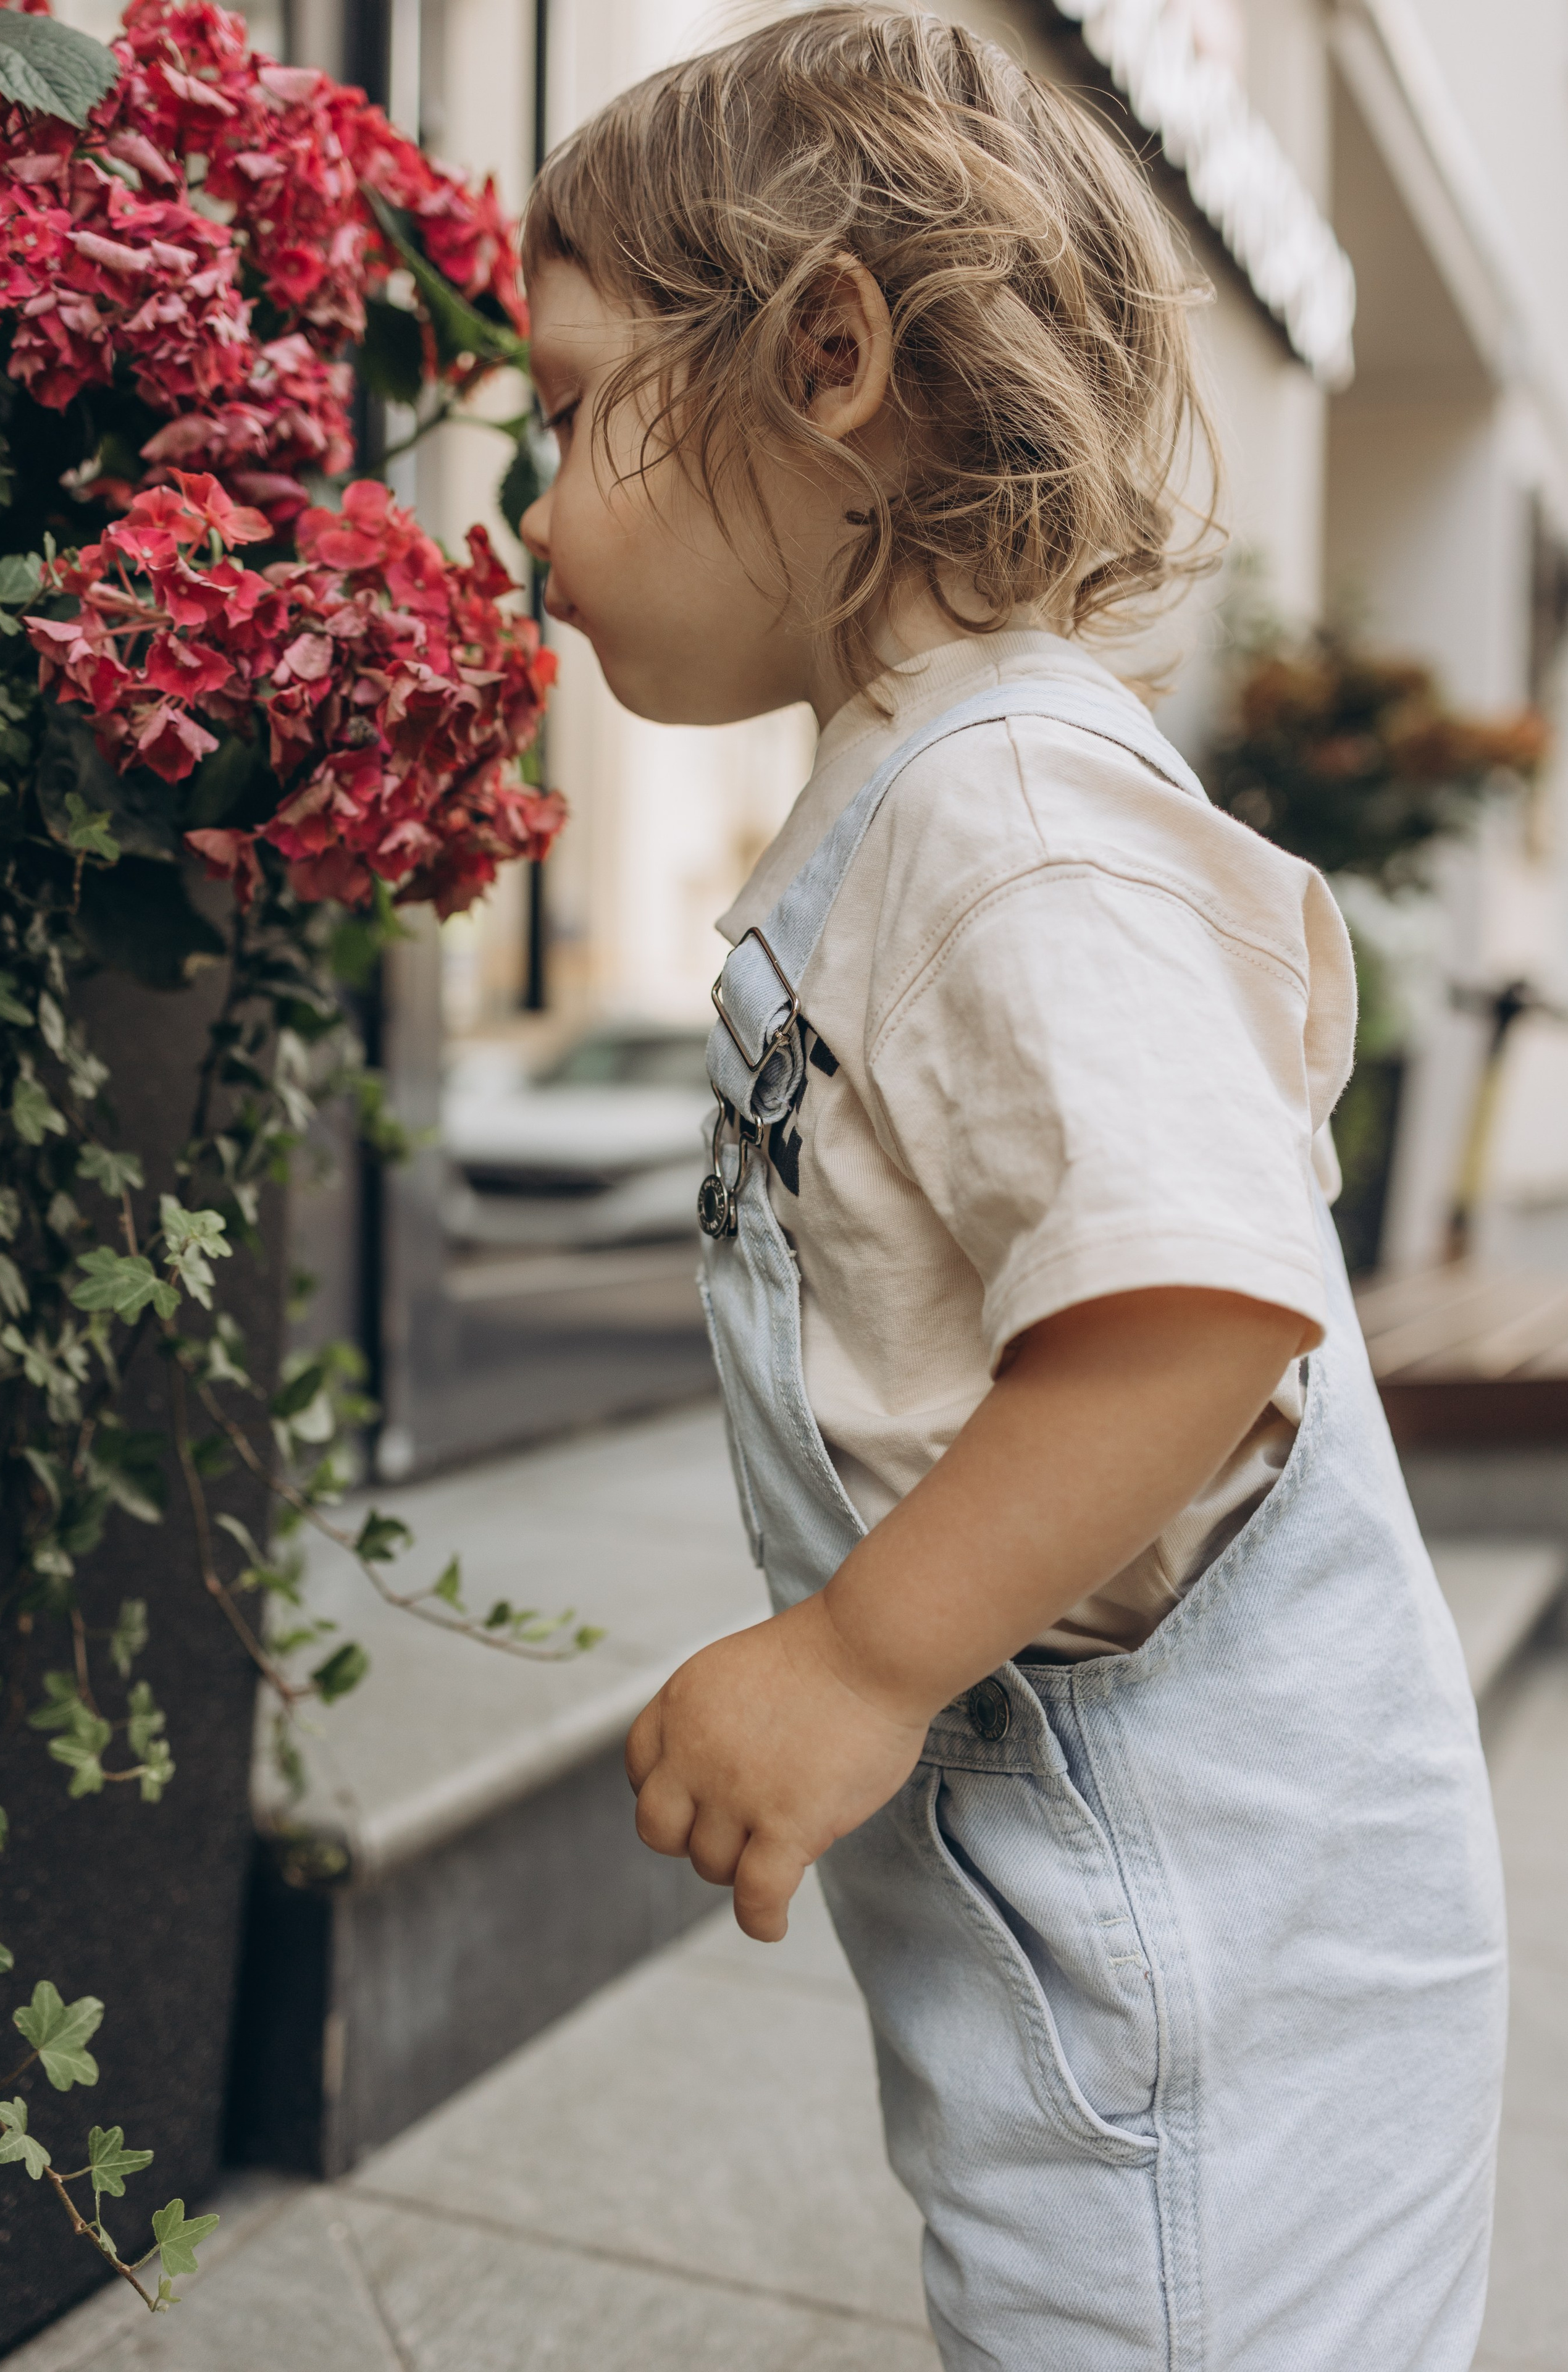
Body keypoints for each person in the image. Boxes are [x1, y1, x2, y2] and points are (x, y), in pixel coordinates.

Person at [515, 12, 1507, 2366]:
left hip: (1216, 1993)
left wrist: (854, 1660)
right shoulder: (926, 800)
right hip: (1116, 1961)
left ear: (825, 360)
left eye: (565, 412)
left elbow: (1198, 1307)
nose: (532, 525)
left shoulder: (1011, 814)